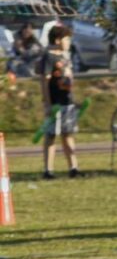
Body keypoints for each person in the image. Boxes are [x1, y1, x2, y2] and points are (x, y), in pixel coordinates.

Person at [37, 24, 80, 180]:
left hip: (67, 102)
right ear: (57, 40)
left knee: (68, 134)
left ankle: (73, 168)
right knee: (51, 136)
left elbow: (69, 78)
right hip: (55, 103)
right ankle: (48, 170)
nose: (69, 42)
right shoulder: (48, 57)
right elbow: (44, 81)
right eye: (66, 38)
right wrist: (48, 103)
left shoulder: (65, 56)